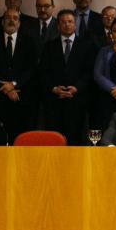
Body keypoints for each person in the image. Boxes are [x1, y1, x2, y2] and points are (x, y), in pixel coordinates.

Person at [39, 9, 97, 144]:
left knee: (75, 139)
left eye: (70, 21)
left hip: (77, 100)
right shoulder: (49, 46)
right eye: (63, 22)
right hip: (54, 101)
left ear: (75, 24)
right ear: (58, 26)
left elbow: (89, 72)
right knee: (54, 140)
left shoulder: (86, 45)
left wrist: (76, 88)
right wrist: (53, 88)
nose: (67, 25)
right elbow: (43, 72)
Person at [0, 8, 38, 145]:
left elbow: (32, 68)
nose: (11, 20)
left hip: (22, 97)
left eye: (15, 18)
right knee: (0, 138)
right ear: (2, 22)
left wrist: (14, 84)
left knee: (22, 139)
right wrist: (6, 88)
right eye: (8, 18)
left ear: (19, 23)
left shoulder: (29, 41)